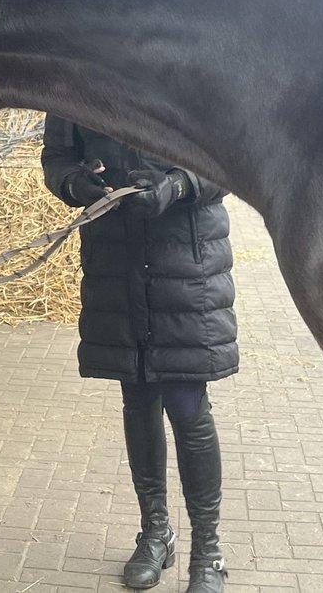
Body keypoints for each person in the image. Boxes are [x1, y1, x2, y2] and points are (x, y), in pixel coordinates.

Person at [41, 115, 236, 592]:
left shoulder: (186, 62)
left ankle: (207, 555)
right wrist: (76, 183)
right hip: (116, 257)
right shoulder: (74, 79)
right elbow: (56, 159)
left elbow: (229, 161)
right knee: (138, 397)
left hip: (184, 263)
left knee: (188, 408)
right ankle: (155, 533)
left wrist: (178, 186)